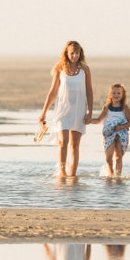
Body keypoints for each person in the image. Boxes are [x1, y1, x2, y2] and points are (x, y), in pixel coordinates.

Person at [39, 40, 93, 177]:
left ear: (80, 53)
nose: (74, 56)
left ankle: (72, 176)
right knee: (63, 140)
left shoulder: (85, 70)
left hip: (79, 110)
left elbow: (89, 91)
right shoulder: (59, 69)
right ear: (66, 53)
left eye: (76, 53)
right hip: (63, 110)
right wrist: (44, 112)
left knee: (75, 144)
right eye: (71, 53)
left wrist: (90, 112)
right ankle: (62, 171)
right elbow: (52, 92)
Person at [91, 83, 130, 176]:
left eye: (118, 93)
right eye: (114, 93)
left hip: (121, 133)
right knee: (108, 156)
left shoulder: (125, 108)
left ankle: (118, 176)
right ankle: (110, 174)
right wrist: (90, 120)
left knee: (118, 157)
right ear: (110, 94)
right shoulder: (107, 107)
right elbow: (98, 120)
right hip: (109, 133)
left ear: (122, 95)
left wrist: (121, 127)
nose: (116, 95)